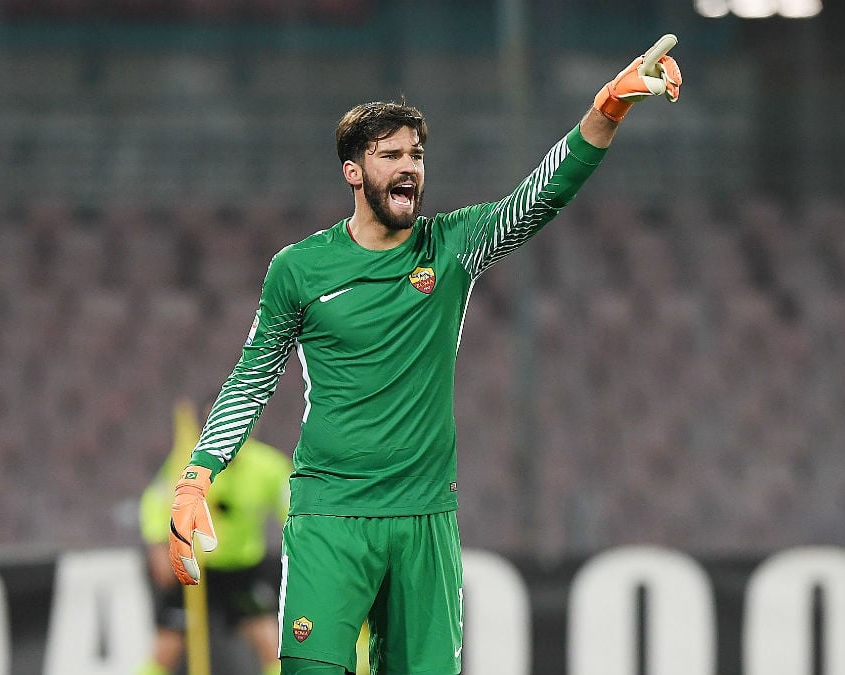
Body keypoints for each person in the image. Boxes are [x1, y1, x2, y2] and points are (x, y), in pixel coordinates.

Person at [168, 36, 683, 675]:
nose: (409, 167)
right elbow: (254, 376)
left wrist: (607, 109)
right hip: (332, 515)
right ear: (353, 171)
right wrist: (197, 477)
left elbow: (541, 195)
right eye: (390, 156)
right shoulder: (299, 269)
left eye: (416, 155)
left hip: (425, 518)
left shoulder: (451, 247)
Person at [140, 398, 291, 675]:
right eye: (217, 423)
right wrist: (158, 546)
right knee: (166, 649)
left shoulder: (269, 467)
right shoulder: (188, 463)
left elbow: (293, 510)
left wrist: (305, 548)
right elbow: (156, 502)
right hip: (194, 573)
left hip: (242, 571)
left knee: (272, 644)